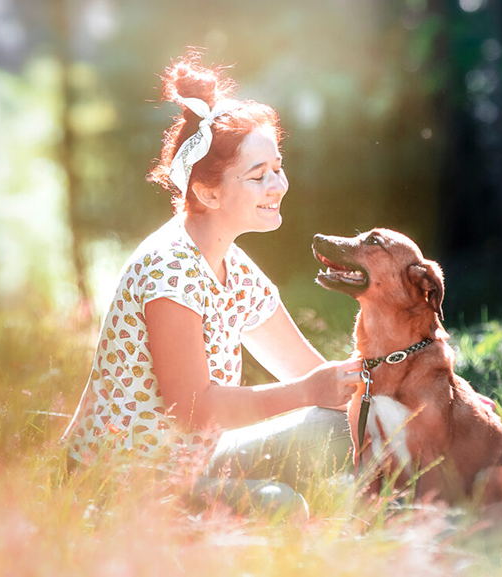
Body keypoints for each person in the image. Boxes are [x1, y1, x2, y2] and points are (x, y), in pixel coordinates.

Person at [61, 52, 361, 515]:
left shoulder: (232, 266)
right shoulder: (168, 270)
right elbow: (194, 410)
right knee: (281, 508)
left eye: (278, 168)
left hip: (195, 462)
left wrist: (434, 397)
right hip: (127, 482)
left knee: (349, 428)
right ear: (206, 192)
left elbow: (310, 371)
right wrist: (307, 393)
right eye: (258, 175)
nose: (278, 185)